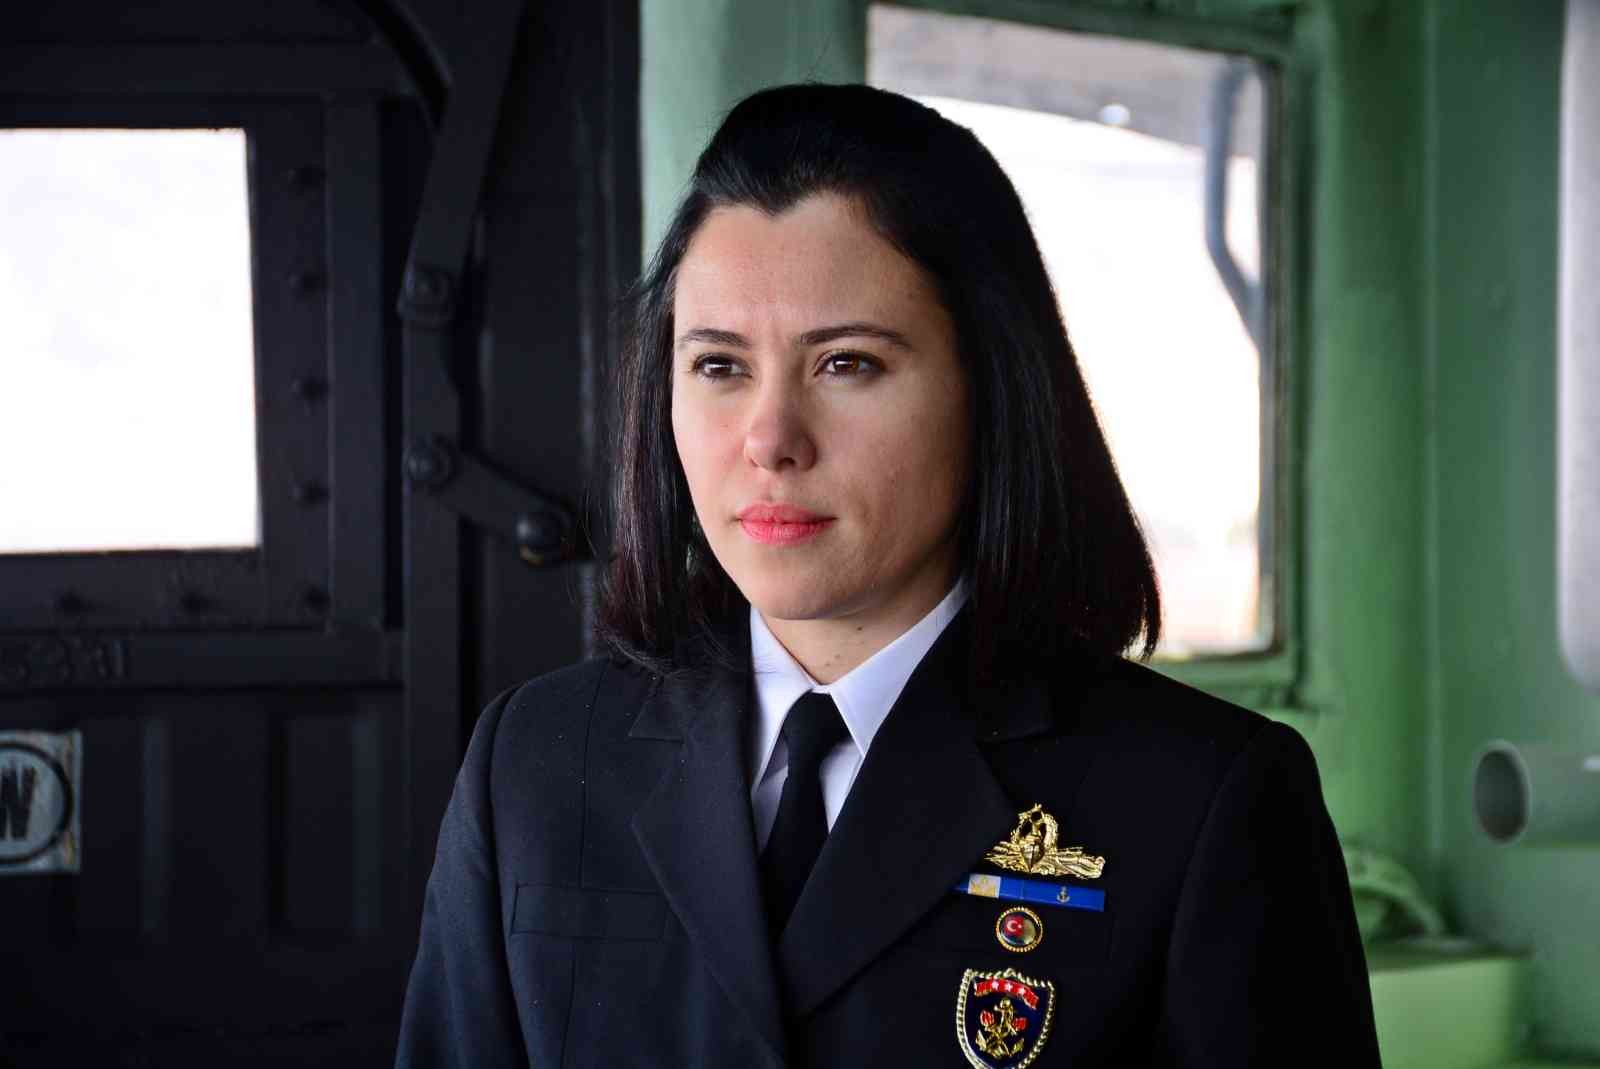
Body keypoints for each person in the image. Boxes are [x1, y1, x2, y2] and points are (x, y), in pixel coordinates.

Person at [394, 83, 1381, 1068]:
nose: (770, 440)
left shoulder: (1202, 800)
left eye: (847, 364)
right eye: (720, 366)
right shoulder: (533, 760)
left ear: (992, 389)